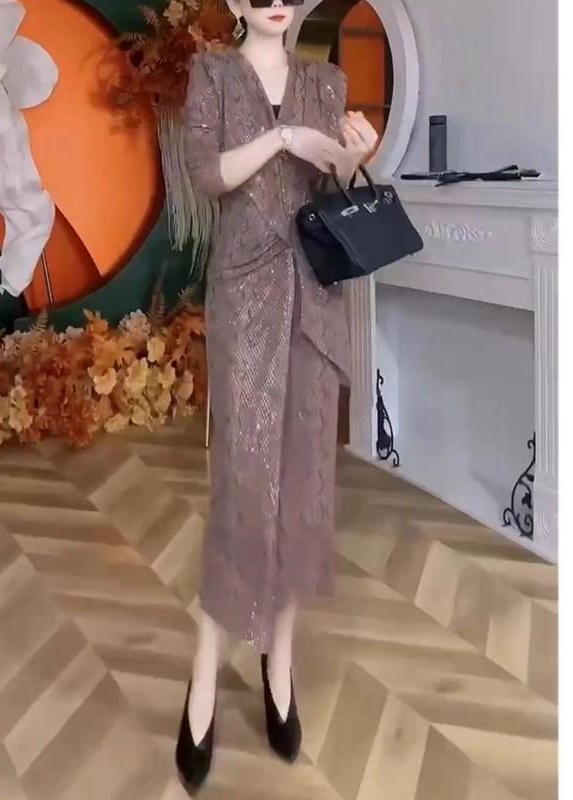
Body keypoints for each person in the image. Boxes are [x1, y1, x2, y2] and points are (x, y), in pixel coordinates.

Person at [175, 0, 378, 790]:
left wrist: (355, 159)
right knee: (241, 489)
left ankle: (279, 661)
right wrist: (285, 137)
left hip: (316, 307)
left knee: (303, 488)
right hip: (245, 301)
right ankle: (204, 672)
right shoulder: (212, 74)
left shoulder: (328, 82)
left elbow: (337, 188)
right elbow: (208, 175)